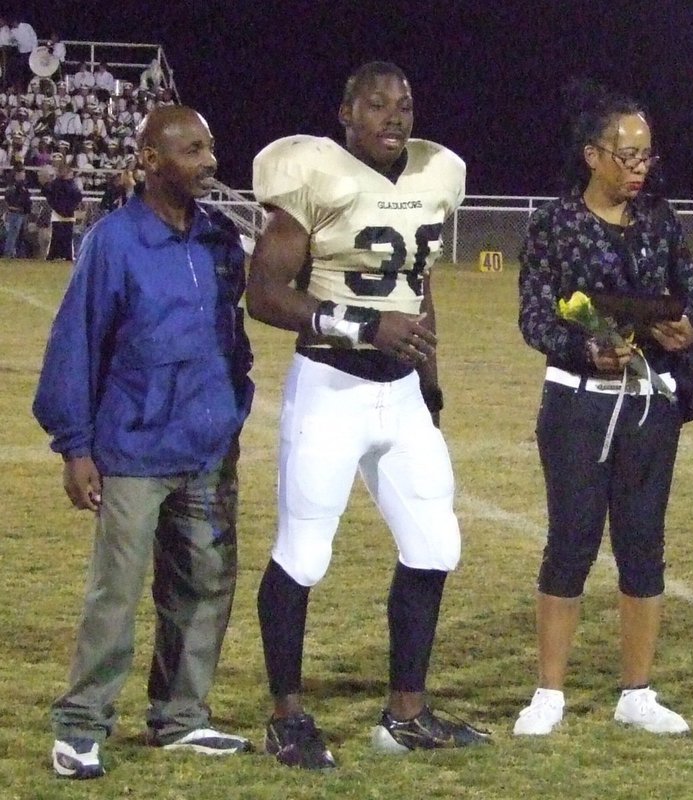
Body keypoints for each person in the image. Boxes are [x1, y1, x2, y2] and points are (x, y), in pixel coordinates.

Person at [247, 60, 490, 770]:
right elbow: (264, 292)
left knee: (434, 545)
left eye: (405, 105)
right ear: (346, 111)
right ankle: (286, 717)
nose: (394, 116)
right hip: (331, 386)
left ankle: (406, 714)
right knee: (303, 551)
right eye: (378, 104)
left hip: (402, 393)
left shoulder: (435, 175)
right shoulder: (312, 174)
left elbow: (419, 290)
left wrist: (432, 386)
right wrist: (362, 326)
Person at [32, 104, 255, 779]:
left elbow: (232, 340)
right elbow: (77, 341)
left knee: (205, 587)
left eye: (210, 147)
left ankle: (181, 718)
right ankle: (80, 725)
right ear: (150, 161)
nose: (207, 162)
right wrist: (75, 445)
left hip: (208, 449)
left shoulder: (220, 241)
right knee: (117, 593)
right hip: (132, 450)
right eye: (191, 150)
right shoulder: (114, 242)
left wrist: (230, 407)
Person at [514, 78, 693, 736]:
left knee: (643, 548)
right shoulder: (555, 225)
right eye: (627, 156)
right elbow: (536, 315)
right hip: (576, 407)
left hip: (650, 409)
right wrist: (582, 346)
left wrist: (689, 329)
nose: (639, 169)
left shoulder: (661, 221)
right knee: (569, 545)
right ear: (592, 154)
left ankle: (637, 693)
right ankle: (549, 694)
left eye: (647, 156)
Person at [3, 167, 31, 256]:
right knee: (13, 233)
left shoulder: (23, 186)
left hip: (22, 212)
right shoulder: (12, 187)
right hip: (15, 212)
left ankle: (18, 252)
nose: (24, 175)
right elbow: (10, 199)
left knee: (19, 234)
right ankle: (9, 252)